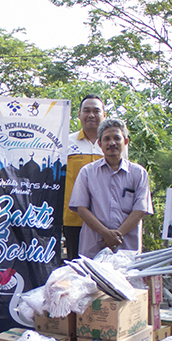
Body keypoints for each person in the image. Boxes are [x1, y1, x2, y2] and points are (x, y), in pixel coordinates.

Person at [69, 118, 153, 259]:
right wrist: (105, 234)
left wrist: (115, 237)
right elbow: (82, 209)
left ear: (125, 142)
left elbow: (140, 209)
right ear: (100, 144)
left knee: (125, 281)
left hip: (127, 249)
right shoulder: (87, 172)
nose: (112, 143)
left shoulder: (139, 173)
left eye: (117, 138)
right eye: (107, 139)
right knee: (90, 281)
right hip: (94, 247)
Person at [62, 95, 105, 260]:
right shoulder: (66, 142)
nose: (91, 115)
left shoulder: (112, 143)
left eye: (96, 111)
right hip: (74, 218)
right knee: (76, 265)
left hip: (105, 218)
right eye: (86, 110)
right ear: (79, 115)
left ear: (104, 115)